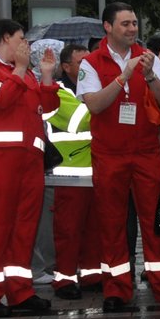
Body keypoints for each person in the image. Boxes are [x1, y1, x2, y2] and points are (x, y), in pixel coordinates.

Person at [77, 2, 160, 311]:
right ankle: (117, 289)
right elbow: (94, 104)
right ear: (107, 27)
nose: (133, 29)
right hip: (109, 154)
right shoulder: (91, 63)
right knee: (111, 221)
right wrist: (123, 77)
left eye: (135, 23)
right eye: (126, 24)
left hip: (147, 151)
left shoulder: (148, 58)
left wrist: (148, 76)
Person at [0, 20, 60, 318]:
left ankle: (20, 292)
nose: (26, 46)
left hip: (28, 166)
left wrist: (44, 76)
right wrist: (19, 70)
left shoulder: (26, 73)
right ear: (6, 38)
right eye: (21, 39)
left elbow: (49, 109)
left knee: (23, 231)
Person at [45, 53, 101, 300]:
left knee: (94, 230)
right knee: (68, 231)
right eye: (80, 62)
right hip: (69, 174)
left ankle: (92, 275)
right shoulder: (57, 91)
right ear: (66, 66)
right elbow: (81, 119)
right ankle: (65, 279)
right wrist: (109, 104)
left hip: (94, 171)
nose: (87, 65)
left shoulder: (91, 87)